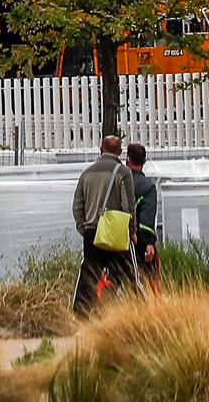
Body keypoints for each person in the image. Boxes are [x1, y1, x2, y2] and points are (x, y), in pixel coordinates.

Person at [71, 133, 137, 314]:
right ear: (120, 152)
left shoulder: (87, 173)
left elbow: (77, 205)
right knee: (127, 272)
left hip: (92, 231)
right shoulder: (123, 172)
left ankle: (81, 313)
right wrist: (131, 231)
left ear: (101, 150)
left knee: (89, 273)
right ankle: (136, 310)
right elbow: (128, 205)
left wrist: (83, 227)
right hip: (116, 231)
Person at [125, 141, 161, 283]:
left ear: (127, 159)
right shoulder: (147, 186)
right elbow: (147, 218)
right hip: (137, 241)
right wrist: (149, 244)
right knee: (148, 280)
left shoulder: (117, 180)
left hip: (113, 237)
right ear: (143, 162)